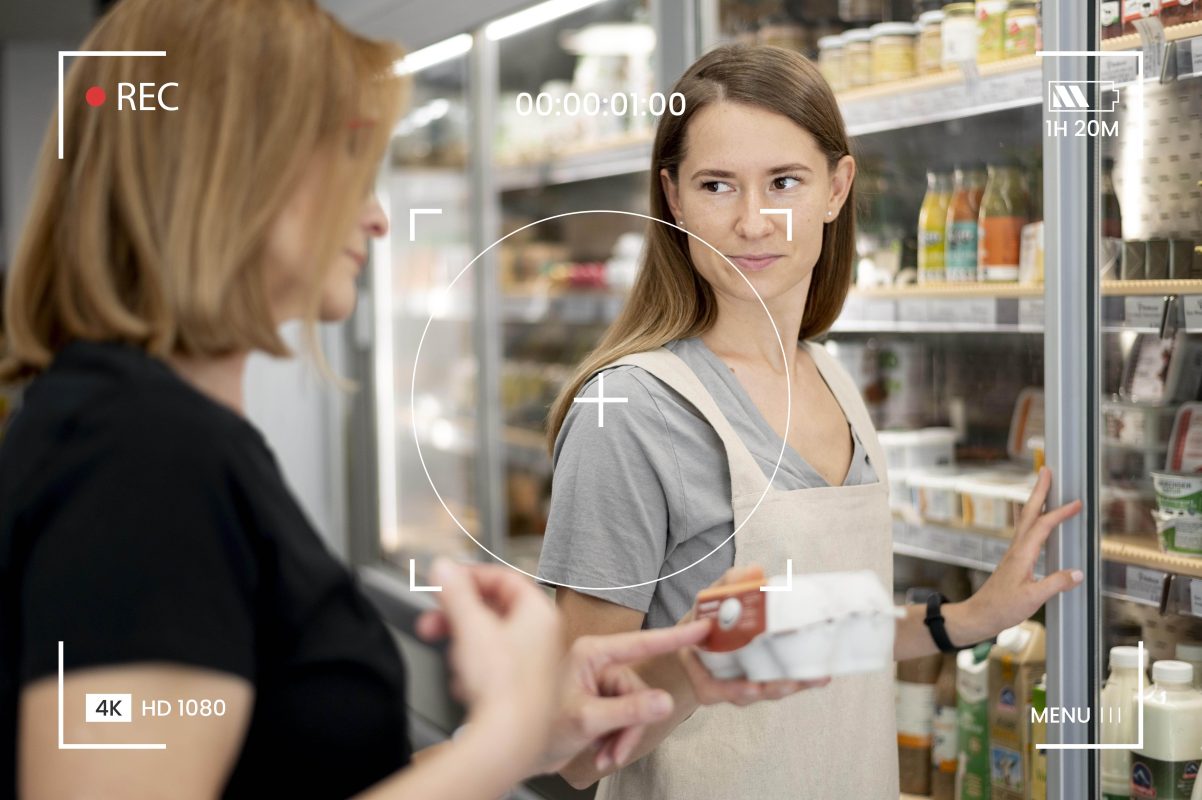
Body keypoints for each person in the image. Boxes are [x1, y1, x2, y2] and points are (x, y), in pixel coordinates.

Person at [0, 1, 715, 797]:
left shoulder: (152, 435)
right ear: (229, 167)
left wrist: (523, 736)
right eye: (349, 162)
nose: (377, 217)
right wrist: (504, 731)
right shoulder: (138, 456)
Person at [537, 44, 1085, 797]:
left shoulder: (830, 377)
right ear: (673, 198)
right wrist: (707, 665)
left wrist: (969, 616)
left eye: (785, 182)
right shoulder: (630, 413)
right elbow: (576, 746)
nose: (752, 221)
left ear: (837, 187)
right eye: (717, 185)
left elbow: (817, 639)